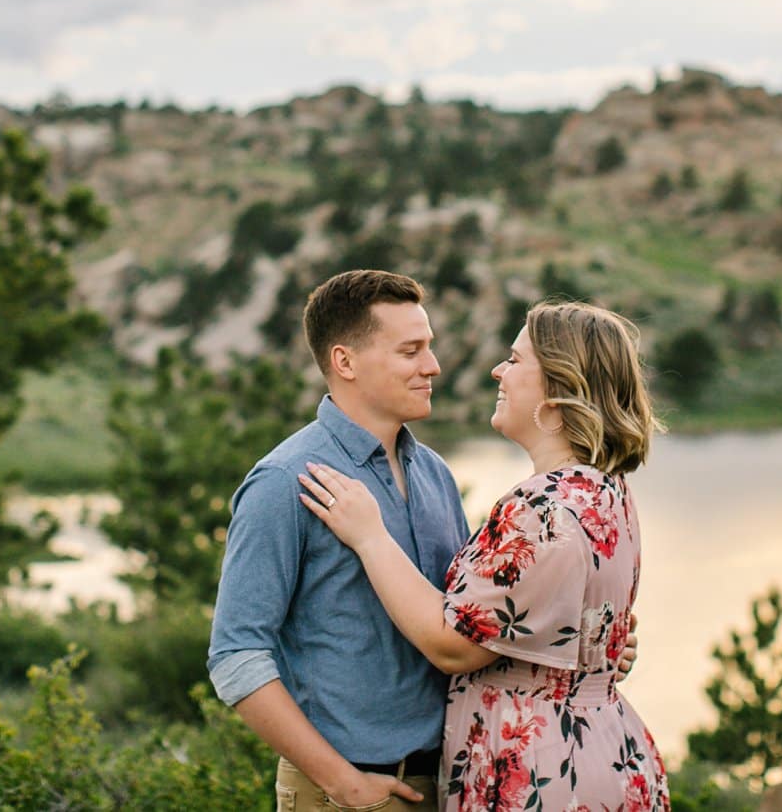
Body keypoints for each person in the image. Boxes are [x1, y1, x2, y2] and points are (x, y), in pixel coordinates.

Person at [209, 272, 638, 812]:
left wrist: (579, 642)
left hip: (456, 781)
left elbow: (472, 617)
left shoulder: (433, 472)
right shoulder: (286, 481)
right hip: (351, 793)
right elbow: (236, 656)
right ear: (345, 362)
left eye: (429, 348)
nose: (433, 366)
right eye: (411, 351)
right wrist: (341, 782)